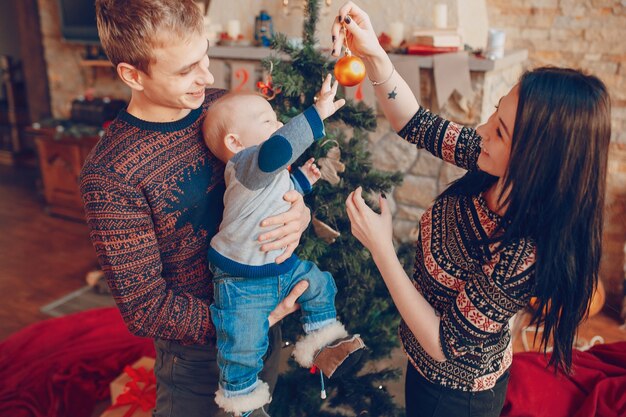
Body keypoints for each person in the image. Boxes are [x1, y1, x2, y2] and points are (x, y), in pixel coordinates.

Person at [332, 2, 611, 417]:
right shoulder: (488, 160)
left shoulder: (523, 253)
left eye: (499, 130)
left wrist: (381, 248)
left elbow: (444, 346)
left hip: (456, 397)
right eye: (496, 111)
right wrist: (374, 54)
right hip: (422, 369)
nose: (480, 131)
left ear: (537, 160)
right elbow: (414, 122)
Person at [80, 1, 312, 416]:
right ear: (132, 75)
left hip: (267, 328)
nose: (206, 77)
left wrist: (300, 214)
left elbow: (278, 178)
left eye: (204, 57)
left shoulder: (221, 108)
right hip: (200, 360)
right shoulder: (110, 175)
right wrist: (244, 322)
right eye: (185, 70)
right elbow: (145, 308)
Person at [202, 78, 365, 416]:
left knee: (318, 283)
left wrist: (304, 179)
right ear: (235, 142)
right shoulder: (245, 163)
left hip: (280, 267)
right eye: (268, 122)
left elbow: (282, 191)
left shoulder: (266, 173)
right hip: (241, 279)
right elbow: (278, 149)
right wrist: (317, 113)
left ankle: (323, 342)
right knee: (242, 342)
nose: (279, 126)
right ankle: (242, 401)